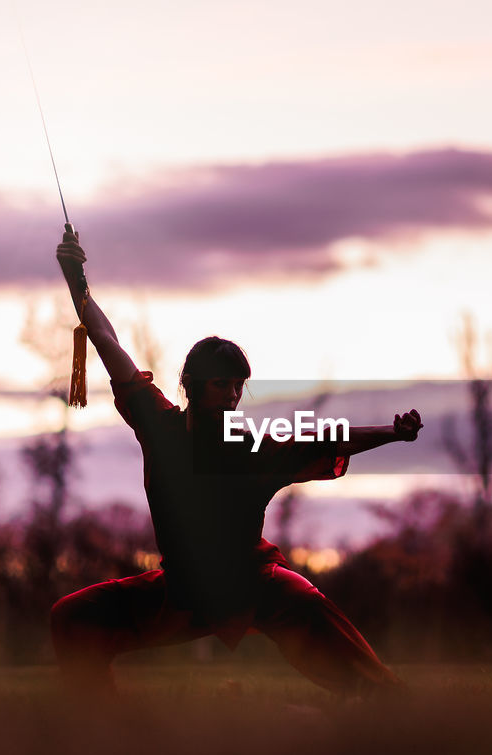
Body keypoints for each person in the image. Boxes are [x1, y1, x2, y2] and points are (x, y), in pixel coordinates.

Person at [49, 228, 421, 695]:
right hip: (181, 594)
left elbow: (327, 439)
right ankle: (102, 728)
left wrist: (392, 432)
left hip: (253, 587)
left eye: (237, 386)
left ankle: (397, 708)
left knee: (345, 652)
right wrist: (75, 276)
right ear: (190, 383)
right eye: (220, 384)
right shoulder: (158, 424)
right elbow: (105, 340)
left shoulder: (251, 447)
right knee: (72, 618)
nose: (231, 395)